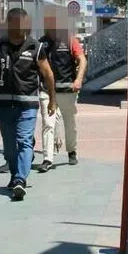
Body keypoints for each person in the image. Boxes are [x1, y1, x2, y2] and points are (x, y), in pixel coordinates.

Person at [0, 7, 55, 202]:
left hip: (27, 104)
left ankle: (20, 179)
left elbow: (48, 74)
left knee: (25, 141)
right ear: (9, 24)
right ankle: (15, 173)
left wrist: (53, 100)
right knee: (10, 148)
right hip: (3, 104)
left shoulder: (36, 47)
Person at [36, 9, 87, 171]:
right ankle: (47, 158)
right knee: (48, 123)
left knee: (69, 123)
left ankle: (72, 151)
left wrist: (78, 79)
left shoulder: (69, 39)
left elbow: (82, 59)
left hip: (67, 90)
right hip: (47, 90)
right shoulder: (40, 43)